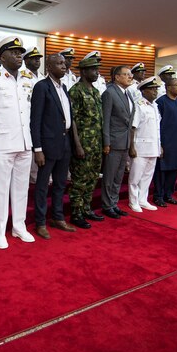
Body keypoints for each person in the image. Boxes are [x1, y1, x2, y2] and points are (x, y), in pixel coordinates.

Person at [0, 37, 36, 249]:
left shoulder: (27, 80)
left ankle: (19, 226)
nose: (19, 55)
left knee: (21, 188)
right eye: (13, 52)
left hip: (24, 142)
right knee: (2, 190)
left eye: (20, 52)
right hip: (2, 143)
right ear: (1, 57)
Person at [30, 54, 78, 239]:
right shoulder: (41, 87)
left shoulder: (64, 87)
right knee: (42, 186)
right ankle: (40, 222)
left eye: (64, 63)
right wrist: (38, 149)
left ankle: (58, 217)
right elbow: (35, 120)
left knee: (60, 184)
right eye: (59, 63)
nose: (64, 66)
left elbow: (67, 117)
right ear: (49, 67)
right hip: (47, 145)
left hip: (64, 143)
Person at [69, 52, 105, 229]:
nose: (97, 72)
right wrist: (77, 145)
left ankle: (86, 208)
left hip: (96, 143)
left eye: (97, 69)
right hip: (83, 143)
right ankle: (76, 213)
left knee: (92, 178)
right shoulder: (75, 91)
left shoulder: (96, 91)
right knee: (79, 180)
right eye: (93, 69)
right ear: (83, 72)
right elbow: (72, 120)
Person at [101, 65, 135, 218]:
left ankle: (113, 203)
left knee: (118, 176)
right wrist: (106, 142)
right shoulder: (109, 92)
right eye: (126, 74)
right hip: (113, 142)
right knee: (109, 176)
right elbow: (106, 120)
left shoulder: (128, 94)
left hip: (125, 141)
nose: (130, 77)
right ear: (117, 77)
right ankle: (107, 205)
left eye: (130, 74)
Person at [128, 77, 161, 212]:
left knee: (147, 175)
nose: (155, 92)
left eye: (156, 89)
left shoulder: (155, 106)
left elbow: (157, 129)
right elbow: (132, 127)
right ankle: (133, 201)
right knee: (135, 176)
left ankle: (143, 199)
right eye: (152, 89)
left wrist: (160, 146)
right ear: (144, 91)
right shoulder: (139, 106)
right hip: (140, 147)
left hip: (153, 146)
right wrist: (131, 147)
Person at [153, 78, 177, 207]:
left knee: (173, 169)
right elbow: (158, 124)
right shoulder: (161, 102)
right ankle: (158, 196)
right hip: (166, 141)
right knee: (162, 170)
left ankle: (168, 194)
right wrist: (159, 143)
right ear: (168, 87)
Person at [22, 46, 44, 184]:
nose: (37, 61)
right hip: (27, 118)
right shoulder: (21, 77)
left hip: (43, 118)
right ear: (25, 61)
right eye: (33, 58)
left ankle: (40, 175)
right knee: (29, 148)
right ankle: (31, 176)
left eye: (38, 58)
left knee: (41, 146)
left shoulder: (44, 77)